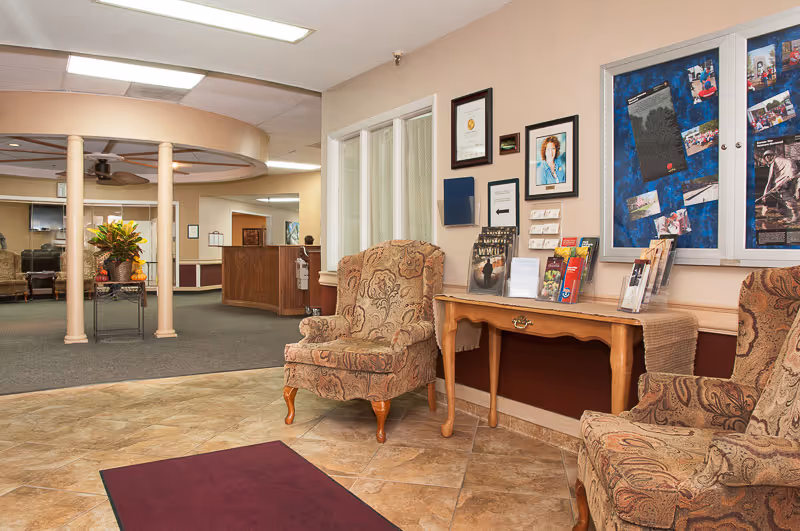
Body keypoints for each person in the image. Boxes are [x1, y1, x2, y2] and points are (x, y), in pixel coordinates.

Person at [762, 150, 800, 223]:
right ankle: (789, 214)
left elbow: (769, 182)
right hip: (788, 179)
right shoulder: (779, 160)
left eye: (767, 157)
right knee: (782, 198)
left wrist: (764, 197)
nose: (767, 159)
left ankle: (796, 215)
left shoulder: (775, 162)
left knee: (786, 198)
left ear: (770, 156)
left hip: (787, 180)